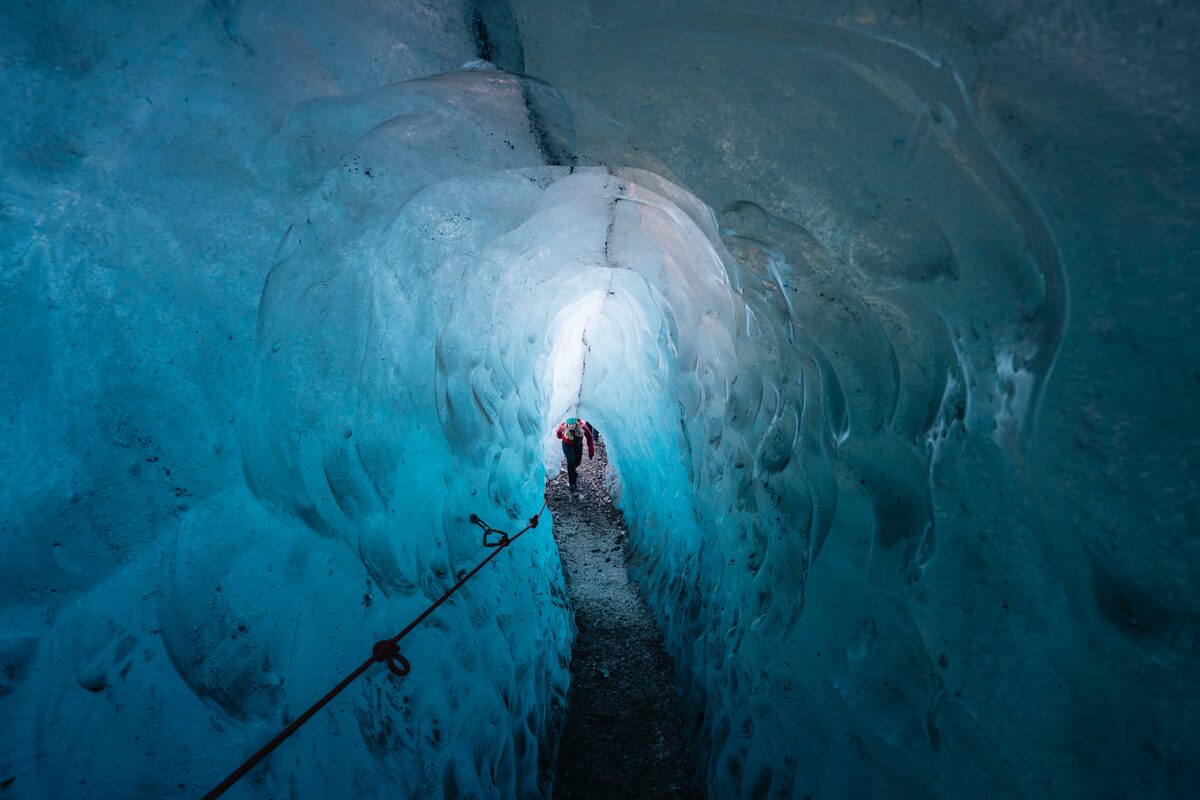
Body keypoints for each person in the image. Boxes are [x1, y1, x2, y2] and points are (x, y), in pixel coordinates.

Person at [555, 416, 596, 491]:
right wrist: (560, 435)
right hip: (566, 445)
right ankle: (572, 484)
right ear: (567, 424)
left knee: (577, 461)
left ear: (576, 423)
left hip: (578, 444)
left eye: (573, 423)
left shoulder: (582, 426)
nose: (571, 425)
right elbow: (558, 434)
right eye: (570, 424)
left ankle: (574, 468)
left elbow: (589, 437)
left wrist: (591, 451)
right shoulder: (563, 427)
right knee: (570, 461)